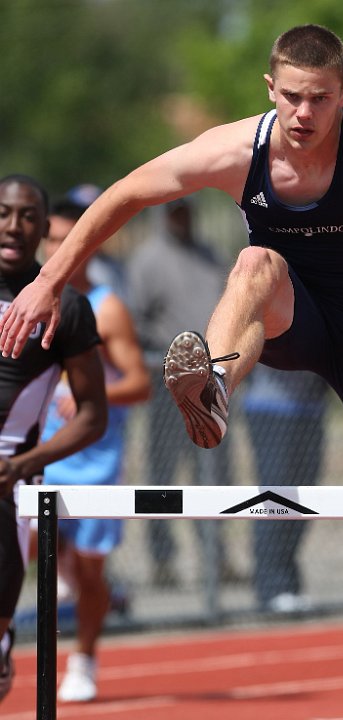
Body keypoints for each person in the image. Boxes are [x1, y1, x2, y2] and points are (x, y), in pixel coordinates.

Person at [0, 25, 343, 540]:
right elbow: (128, 193)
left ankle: (223, 386)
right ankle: (212, 388)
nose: (304, 114)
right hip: (286, 313)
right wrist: (48, 279)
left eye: (320, 99)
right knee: (256, 262)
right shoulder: (236, 149)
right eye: (293, 97)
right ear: (270, 88)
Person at [37, 196, 151, 703]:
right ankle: (53, 561)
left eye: (71, 241)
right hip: (41, 456)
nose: (62, 250)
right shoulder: (29, 300)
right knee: (31, 545)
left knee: (90, 574)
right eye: (54, 241)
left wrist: (88, 394)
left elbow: (141, 383)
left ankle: (83, 658)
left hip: (97, 461)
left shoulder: (107, 306)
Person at [0, 175, 107, 704]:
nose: (13, 226)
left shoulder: (68, 308)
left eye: (26, 216)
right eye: (3, 213)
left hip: (10, 487)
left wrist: (26, 465)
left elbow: (93, 415)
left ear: (44, 228)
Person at [127, 199, 236, 587]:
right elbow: (135, 320)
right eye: (174, 212)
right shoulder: (147, 260)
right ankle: (162, 562)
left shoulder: (209, 255)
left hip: (209, 380)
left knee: (217, 471)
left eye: (186, 211)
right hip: (166, 383)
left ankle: (216, 558)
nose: (182, 217)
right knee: (163, 473)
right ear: (163, 216)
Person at [242, 366, 327, 613]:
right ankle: (271, 587)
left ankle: (288, 583)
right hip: (272, 408)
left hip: (311, 408)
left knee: (304, 502)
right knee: (276, 498)